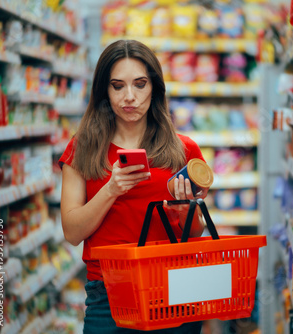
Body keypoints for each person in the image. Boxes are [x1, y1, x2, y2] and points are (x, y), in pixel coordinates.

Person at [59, 40, 206, 333]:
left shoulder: (183, 151)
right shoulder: (82, 149)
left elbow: (195, 231)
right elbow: (72, 232)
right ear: (104, 91)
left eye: (140, 84)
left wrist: (183, 211)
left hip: (175, 287)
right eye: (118, 86)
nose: (130, 97)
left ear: (155, 87)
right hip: (109, 294)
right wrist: (111, 189)